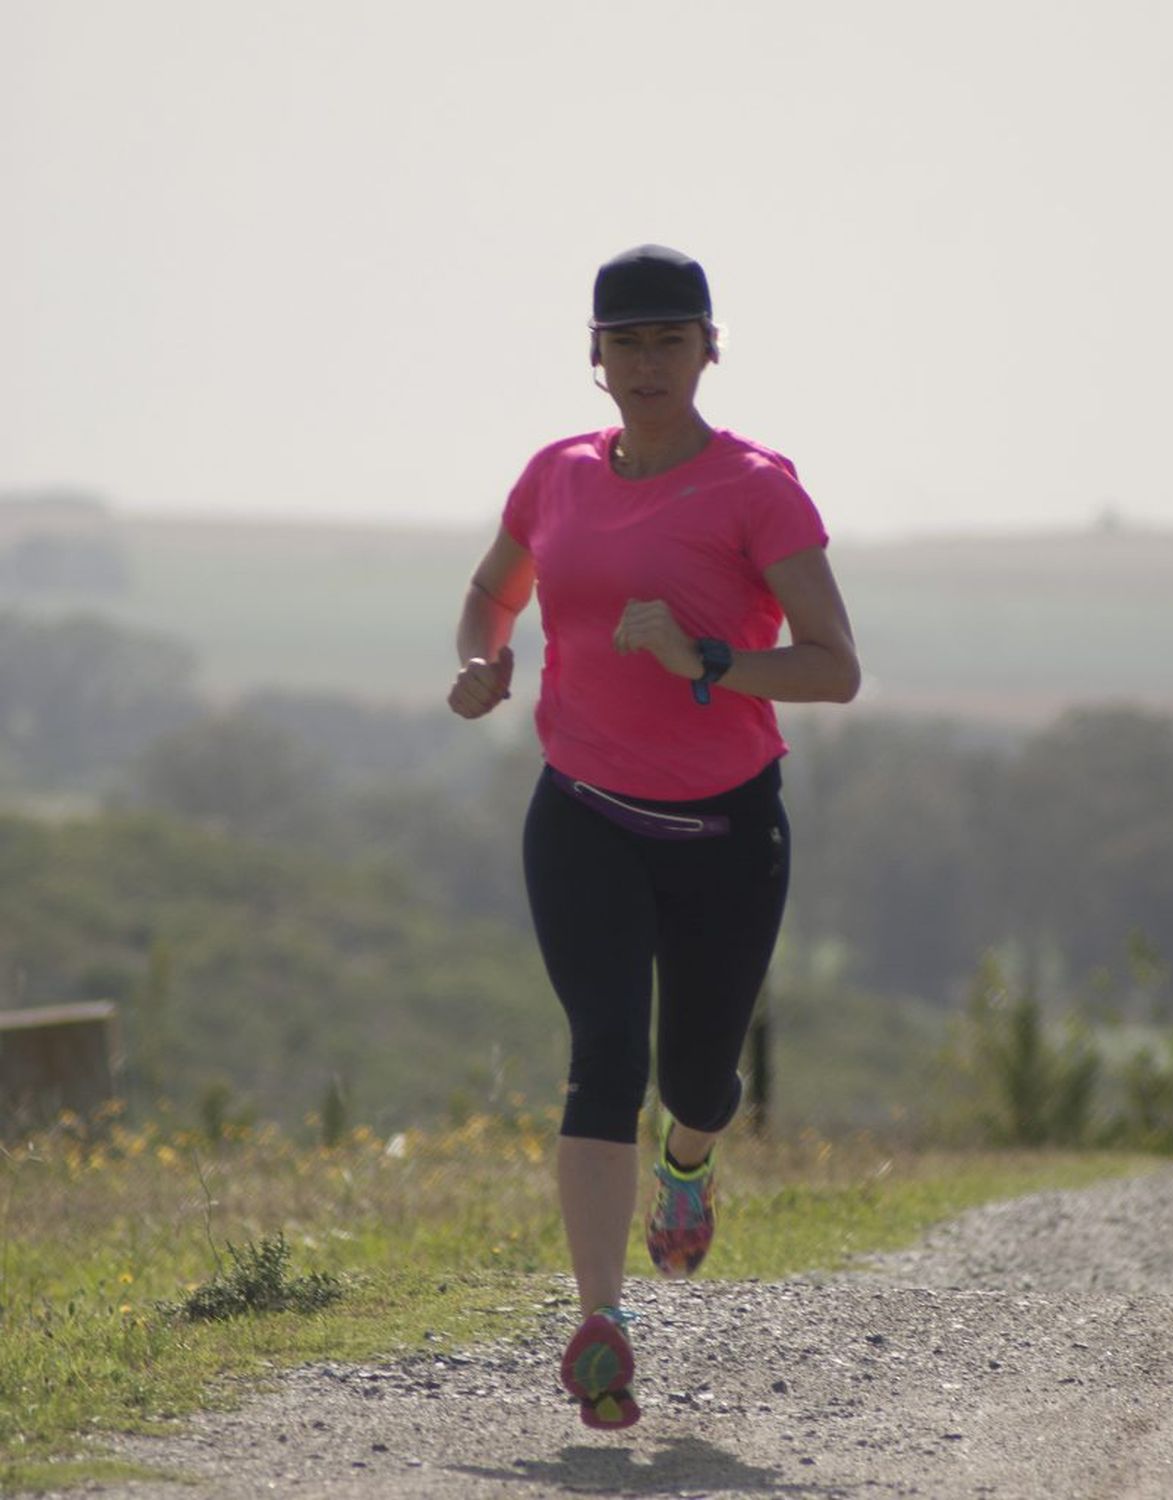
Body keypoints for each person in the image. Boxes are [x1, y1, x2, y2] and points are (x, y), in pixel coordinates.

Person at [447, 244, 860, 1431]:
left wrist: (711, 659)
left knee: (694, 1077)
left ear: (707, 351)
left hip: (727, 827)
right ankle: (602, 1322)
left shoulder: (757, 489)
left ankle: (689, 1160)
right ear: (594, 355)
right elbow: (494, 590)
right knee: (604, 1054)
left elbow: (836, 666)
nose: (646, 363)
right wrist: (484, 661)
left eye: (670, 341)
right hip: (580, 811)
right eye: (625, 342)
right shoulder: (556, 476)